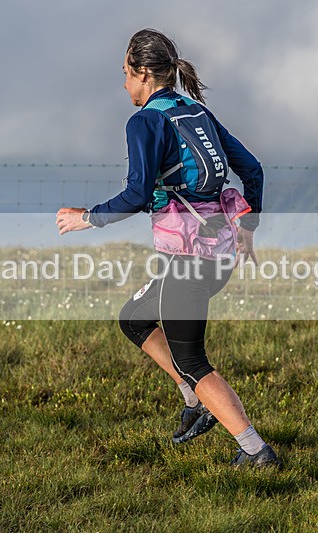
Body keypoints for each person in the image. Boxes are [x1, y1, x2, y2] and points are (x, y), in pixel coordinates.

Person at [55, 28, 280, 468]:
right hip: (217, 254)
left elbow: (137, 194)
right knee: (134, 319)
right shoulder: (195, 111)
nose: (123, 84)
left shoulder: (144, 122)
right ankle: (194, 402)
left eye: (125, 73)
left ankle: (256, 451)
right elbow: (251, 170)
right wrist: (248, 228)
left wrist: (87, 217)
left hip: (189, 262)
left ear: (142, 73)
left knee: (193, 360)